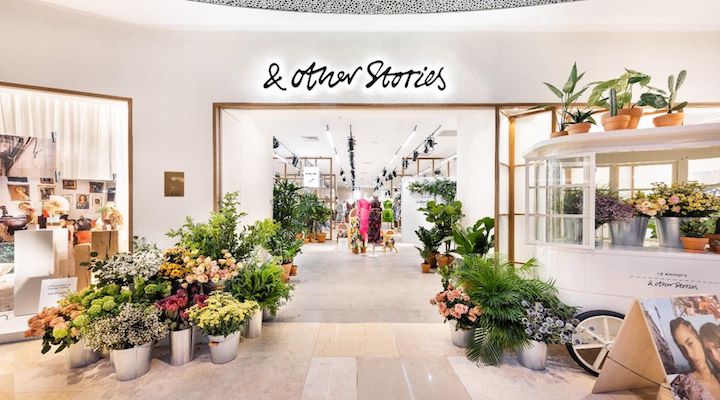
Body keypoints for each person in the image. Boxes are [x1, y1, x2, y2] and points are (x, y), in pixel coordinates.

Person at [670, 317, 720, 399]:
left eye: (690, 343)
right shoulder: (683, 383)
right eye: (682, 349)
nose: (690, 354)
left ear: (698, 338)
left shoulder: (717, 375)